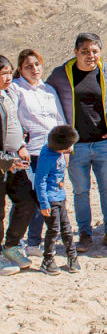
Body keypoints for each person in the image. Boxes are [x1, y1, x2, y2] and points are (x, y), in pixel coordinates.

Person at [47, 33, 107, 252]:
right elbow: (47, 101)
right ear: (76, 52)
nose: (90, 55)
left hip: (103, 143)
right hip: (75, 147)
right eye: (85, 51)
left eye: (95, 51)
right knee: (81, 191)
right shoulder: (60, 75)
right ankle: (85, 234)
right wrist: (61, 138)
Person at [7, 49, 66, 257]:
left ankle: (34, 242)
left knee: (45, 197)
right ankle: (16, 242)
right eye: (28, 66)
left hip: (50, 153)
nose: (34, 69)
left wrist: (64, 145)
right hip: (27, 153)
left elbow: (59, 118)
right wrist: (20, 145)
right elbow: (12, 119)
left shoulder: (48, 90)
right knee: (26, 197)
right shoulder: (15, 89)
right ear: (20, 69)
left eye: (37, 65)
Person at [0, 55, 33, 275]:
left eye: (9, 72)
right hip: (3, 162)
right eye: (2, 73)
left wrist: (21, 144)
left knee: (27, 201)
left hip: (14, 161)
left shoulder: (9, 93)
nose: (7, 77)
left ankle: (11, 246)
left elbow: (14, 122)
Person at [34, 125, 81, 275]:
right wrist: (43, 203)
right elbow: (40, 180)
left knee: (66, 228)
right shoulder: (47, 157)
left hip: (60, 197)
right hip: (50, 199)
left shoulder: (57, 151)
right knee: (53, 230)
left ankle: (72, 257)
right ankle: (47, 261)